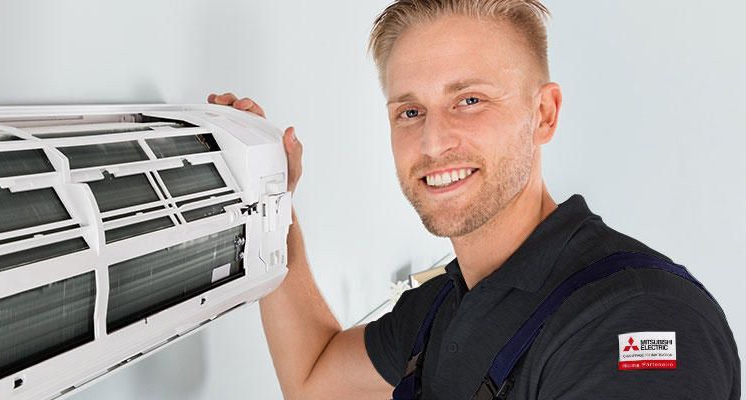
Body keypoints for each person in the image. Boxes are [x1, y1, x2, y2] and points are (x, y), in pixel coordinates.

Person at [208, 0, 740, 399]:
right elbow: (313, 377)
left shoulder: (635, 320)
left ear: (544, 114)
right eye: (410, 112)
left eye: (469, 100)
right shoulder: (444, 308)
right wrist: (272, 197)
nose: (434, 143)